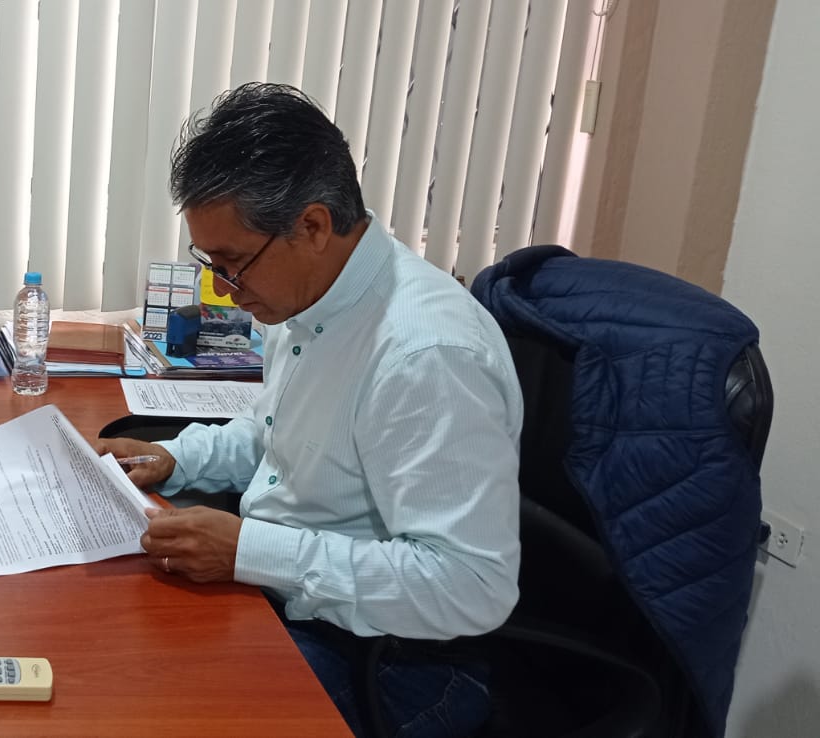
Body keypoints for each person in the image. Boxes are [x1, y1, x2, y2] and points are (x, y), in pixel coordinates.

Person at [96, 83, 523, 738]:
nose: (226, 291)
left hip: (394, 659)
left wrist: (251, 551)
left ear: (314, 226)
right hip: (291, 599)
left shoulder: (427, 356)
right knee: (116, 653)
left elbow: (468, 586)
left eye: (234, 264)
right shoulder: (309, 297)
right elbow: (279, 436)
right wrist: (175, 459)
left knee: (154, 707)